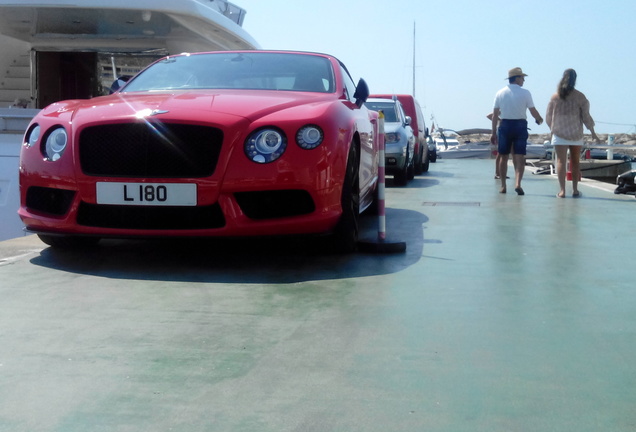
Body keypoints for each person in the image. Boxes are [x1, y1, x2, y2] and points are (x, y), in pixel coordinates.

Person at [545, 68, 600, 198]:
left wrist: (552, 129)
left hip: (559, 134)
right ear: (575, 80)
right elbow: (586, 116)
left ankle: (562, 190)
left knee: (560, 161)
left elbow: (548, 116)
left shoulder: (555, 97)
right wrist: (593, 132)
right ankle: (575, 189)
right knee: (575, 161)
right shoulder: (580, 96)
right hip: (575, 133)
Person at [490, 67, 543, 195]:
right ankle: (518, 183)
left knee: (503, 156)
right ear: (517, 78)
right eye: (522, 77)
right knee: (519, 156)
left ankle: (503, 186)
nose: (524, 80)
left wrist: (493, 133)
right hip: (520, 125)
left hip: (505, 125)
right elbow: (532, 110)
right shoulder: (525, 93)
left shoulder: (500, 93)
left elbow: (495, 115)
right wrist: (539, 119)